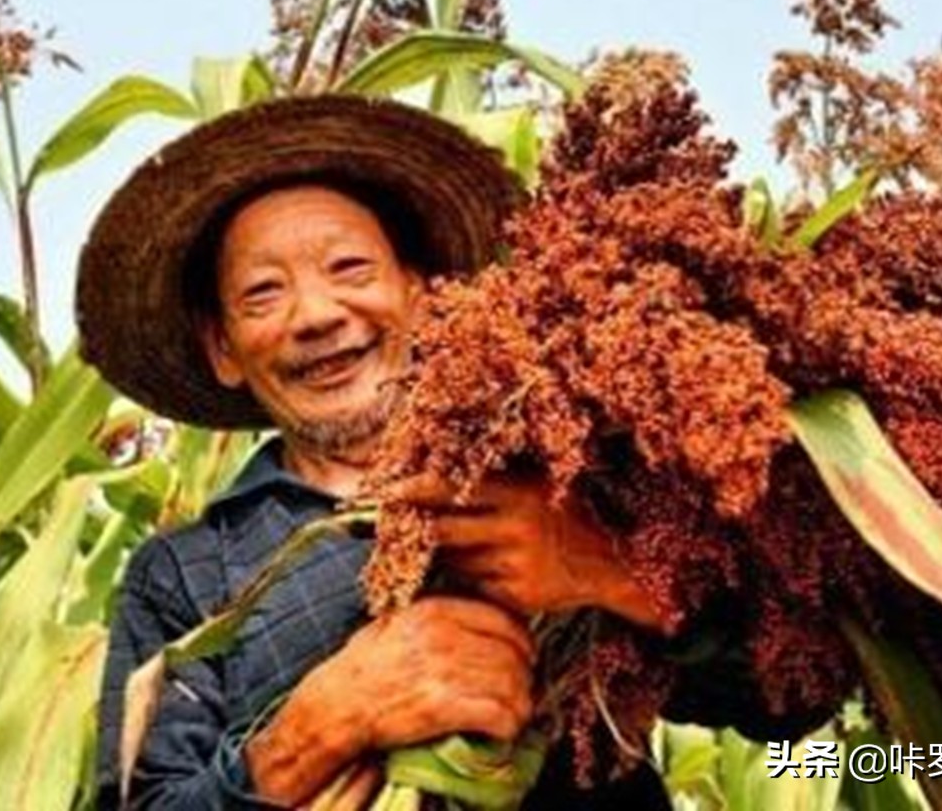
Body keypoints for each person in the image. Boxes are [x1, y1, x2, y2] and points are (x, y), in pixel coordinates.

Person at [77, 95, 677, 809]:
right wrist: (325, 722)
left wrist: (608, 569)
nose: (317, 315)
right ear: (222, 349)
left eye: (351, 269)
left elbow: (791, 697)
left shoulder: (570, 469)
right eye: (264, 294)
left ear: (423, 296)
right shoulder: (185, 576)